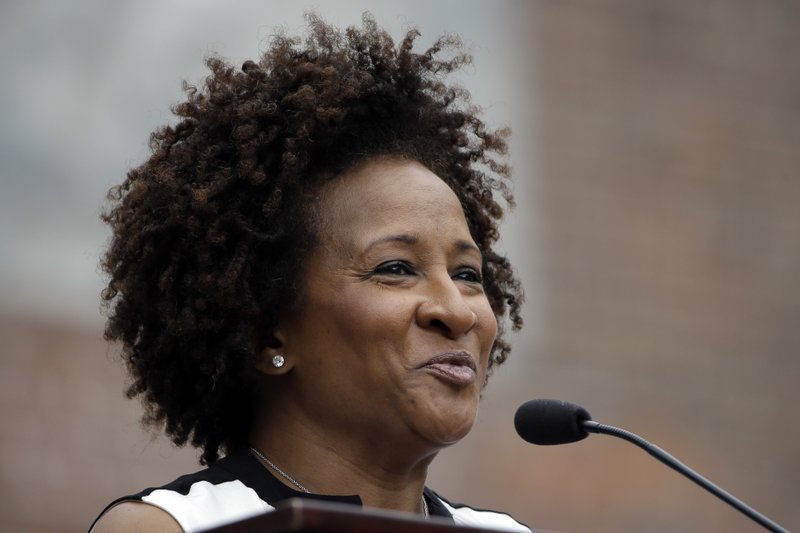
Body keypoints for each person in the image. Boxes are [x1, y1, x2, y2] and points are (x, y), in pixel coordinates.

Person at [91, 13, 527, 533]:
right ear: (266, 332)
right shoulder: (172, 529)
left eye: (468, 274)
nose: (456, 312)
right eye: (395, 268)